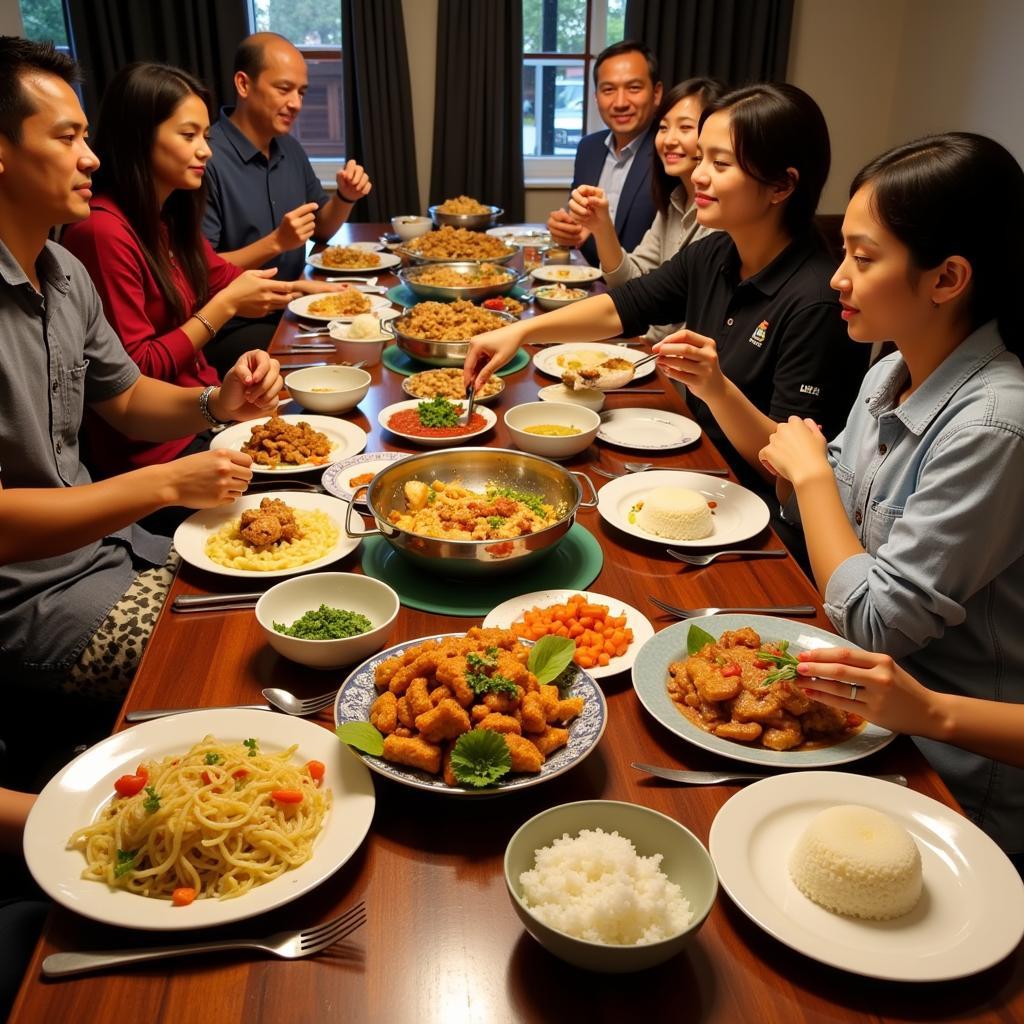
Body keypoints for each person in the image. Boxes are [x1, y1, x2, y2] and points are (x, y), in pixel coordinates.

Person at [668, 131, 1024, 857]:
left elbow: (872, 622)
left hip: (945, 772)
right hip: (854, 704)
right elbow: (808, 492)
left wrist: (812, 478)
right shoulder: (889, 371)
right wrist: (717, 388)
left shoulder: (995, 425)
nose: (838, 277)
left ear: (947, 278)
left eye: (863, 259)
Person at [0, 37, 277, 708]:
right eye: (66, 138)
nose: (90, 158)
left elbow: (124, 399)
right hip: (29, 602)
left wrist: (216, 403)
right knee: (245, 666)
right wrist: (165, 482)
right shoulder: (94, 238)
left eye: (87, 137)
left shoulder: (62, 271)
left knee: (283, 606)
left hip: (110, 550)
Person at [468, 84, 866, 509]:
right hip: (693, 464)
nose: (698, 175)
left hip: (751, 511)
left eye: (721, 163)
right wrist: (520, 331)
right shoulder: (717, 252)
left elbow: (790, 470)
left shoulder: (819, 302)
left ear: (781, 186)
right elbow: (624, 306)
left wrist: (716, 389)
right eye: (701, 158)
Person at [62, 61, 338, 493]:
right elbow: (137, 370)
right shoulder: (101, 231)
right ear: (139, 137)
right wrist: (223, 309)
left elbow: (224, 274)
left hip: (204, 416)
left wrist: (305, 288)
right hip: (158, 454)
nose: (205, 151)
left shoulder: (166, 217)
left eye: (205, 137)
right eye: (188, 135)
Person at [202, 32, 372, 375]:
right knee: (343, 365)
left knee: (372, 336)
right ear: (243, 84)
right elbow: (199, 273)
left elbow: (322, 227)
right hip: (234, 326)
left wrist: (345, 197)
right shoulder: (206, 158)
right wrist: (276, 243)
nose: (296, 103)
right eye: (284, 89)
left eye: (301, 92)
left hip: (296, 308)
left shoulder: (289, 149)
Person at [566, 76, 725, 342]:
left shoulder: (722, 212)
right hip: (648, 344)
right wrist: (601, 227)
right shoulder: (674, 201)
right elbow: (631, 283)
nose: (669, 140)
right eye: (663, 128)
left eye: (685, 128)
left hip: (675, 362)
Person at [546, 40, 662, 267]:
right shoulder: (589, 148)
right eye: (608, 89)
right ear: (596, 96)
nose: (620, 103)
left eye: (633, 88)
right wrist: (566, 229)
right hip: (587, 281)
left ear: (656, 93)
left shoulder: (669, 153)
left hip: (642, 292)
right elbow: (580, 226)